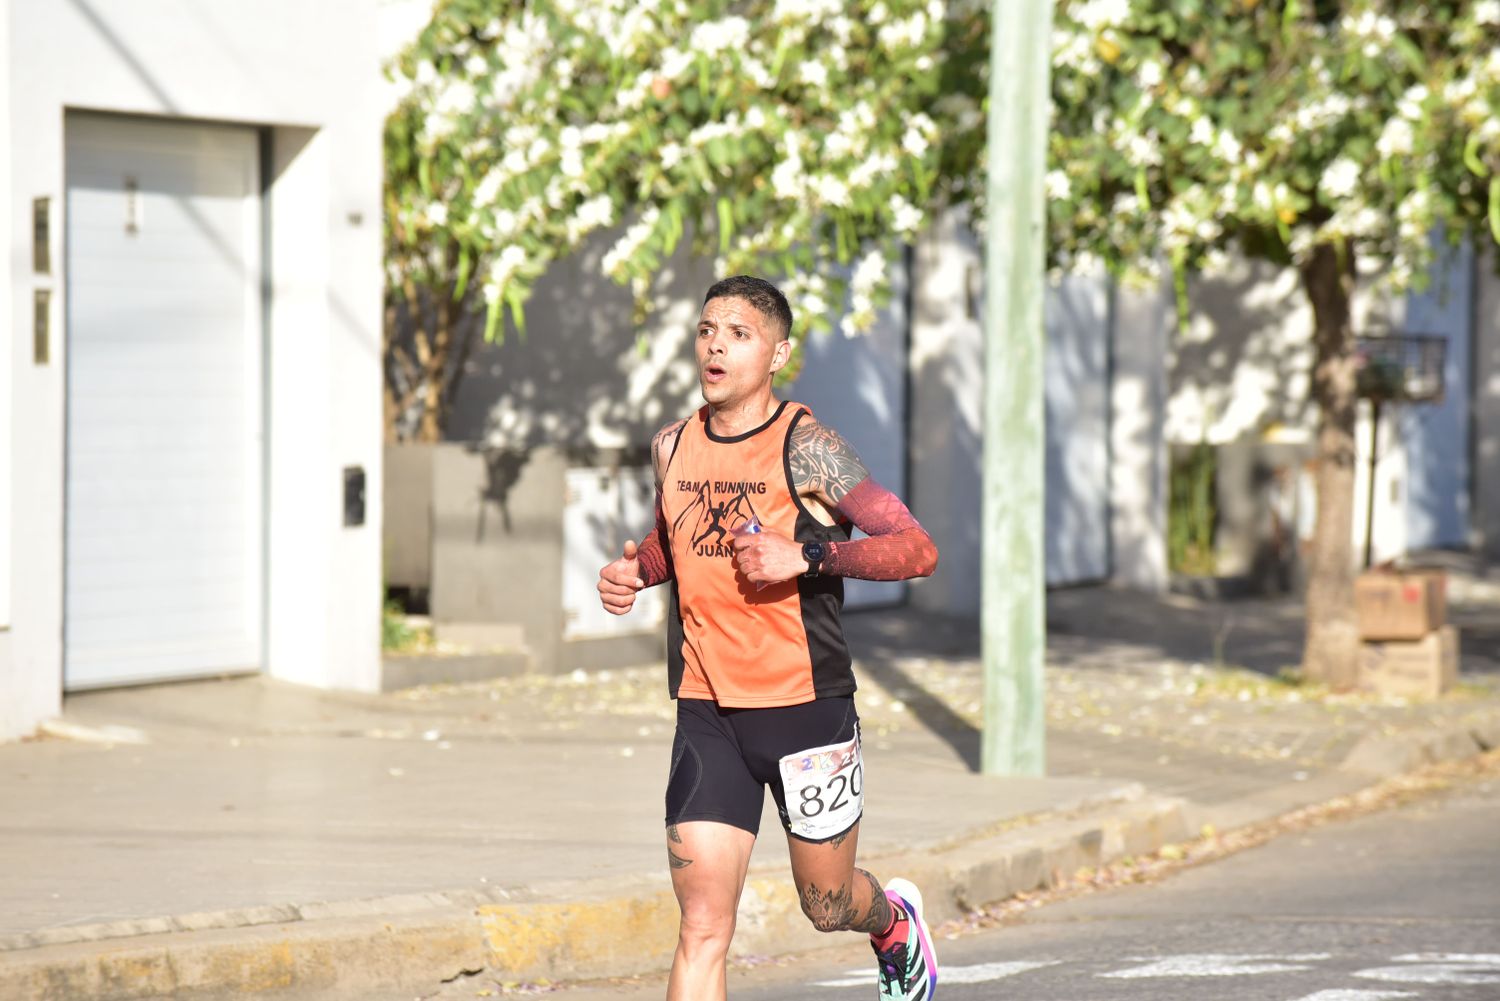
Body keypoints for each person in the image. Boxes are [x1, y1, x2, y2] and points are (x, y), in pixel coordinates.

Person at [597, 275, 940, 1001]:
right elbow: (674, 545)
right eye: (706, 328)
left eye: (739, 332)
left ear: (777, 351)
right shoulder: (672, 445)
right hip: (707, 710)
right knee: (701, 926)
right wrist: (635, 574)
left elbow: (915, 548)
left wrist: (809, 554)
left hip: (805, 709)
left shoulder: (808, 447)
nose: (715, 343)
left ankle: (893, 925)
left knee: (827, 903)